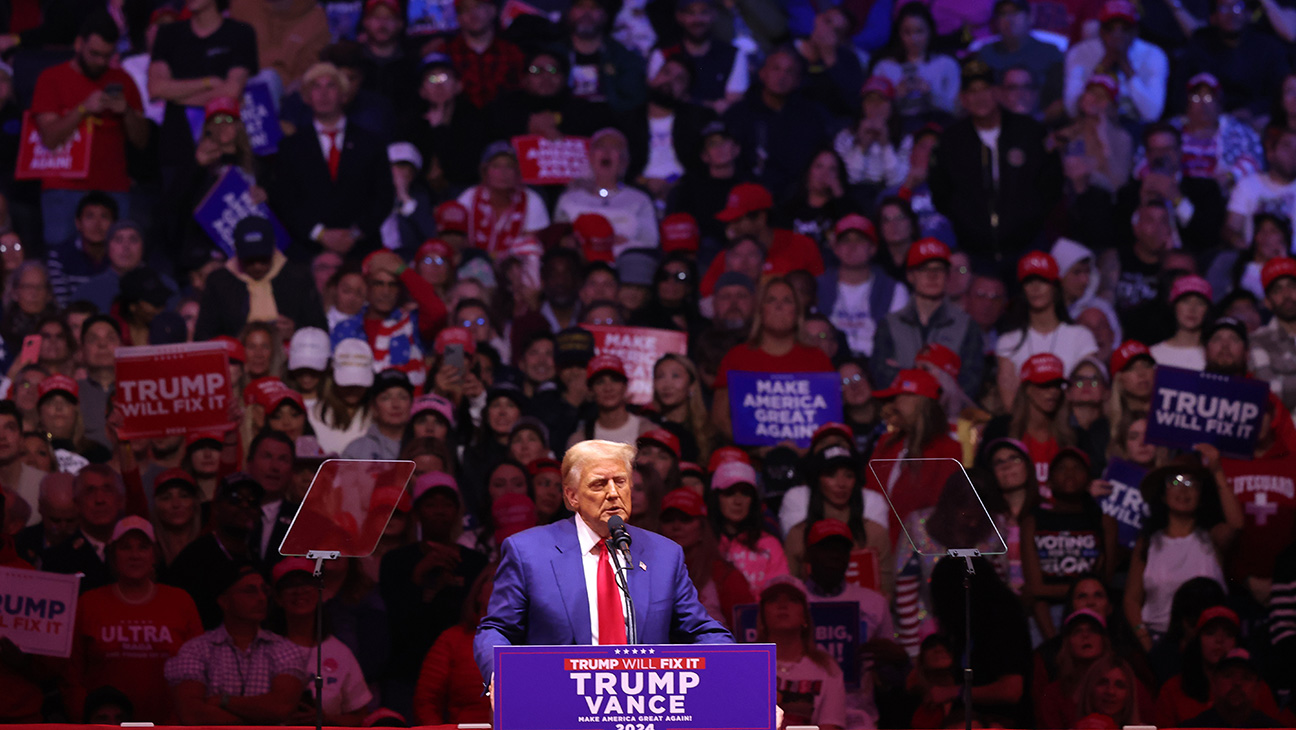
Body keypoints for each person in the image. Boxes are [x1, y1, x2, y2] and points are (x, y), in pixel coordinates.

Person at [475, 439, 734, 683]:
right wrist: (501, 679)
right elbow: (497, 630)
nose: (613, 493)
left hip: (642, 708)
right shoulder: (528, 552)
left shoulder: (665, 555)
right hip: (559, 707)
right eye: (599, 484)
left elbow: (703, 632)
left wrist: (738, 678)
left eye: (621, 482)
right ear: (572, 496)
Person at [65, 516, 204, 723]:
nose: (134, 555)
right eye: (125, 547)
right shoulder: (88, 603)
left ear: (154, 554)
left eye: (143, 547)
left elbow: (200, 670)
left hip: (169, 725)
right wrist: (84, 719)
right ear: (112, 555)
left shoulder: (180, 601)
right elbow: (71, 675)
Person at [30, 12, 148, 246]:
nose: (100, 62)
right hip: (64, 188)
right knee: (60, 260)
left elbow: (142, 140)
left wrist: (126, 111)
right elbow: (50, 138)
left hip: (113, 188)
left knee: (117, 265)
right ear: (78, 44)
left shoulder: (123, 80)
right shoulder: (51, 78)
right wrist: (83, 109)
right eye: (94, 54)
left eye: (107, 56)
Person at [929, 59, 1062, 266]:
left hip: (1028, 247)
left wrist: (1028, 221)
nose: (980, 97)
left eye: (986, 89)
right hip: (972, 253)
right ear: (963, 99)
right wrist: (966, 224)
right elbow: (941, 192)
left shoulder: (1030, 132)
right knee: (970, 287)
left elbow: (1051, 184)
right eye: (972, 91)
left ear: (998, 93)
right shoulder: (950, 141)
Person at [381, 471, 487, 717]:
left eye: (447, 504)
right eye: (431, 504)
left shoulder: (475, 563)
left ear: (458, 511)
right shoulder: (396, 562)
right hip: (406, 671)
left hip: (461, 671)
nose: (439, 511)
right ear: (416, 513)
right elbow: (396, 619)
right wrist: (420, 575)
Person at [272, 62, 395, 261]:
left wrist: (355, 233)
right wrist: (320, 234)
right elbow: (285, 199)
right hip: (308, 251)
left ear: (344, 95)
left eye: (331, 86)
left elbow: (383, 196)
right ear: (306, 97)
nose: (323, 93)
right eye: (316, 86)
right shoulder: (290, 147)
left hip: (362, 249)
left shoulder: (371, 142)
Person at [163, 564, 309, 725]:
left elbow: (282, 707)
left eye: (264, 590)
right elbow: (192, 714)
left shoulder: (285, 648)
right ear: (224, 601)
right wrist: (256, 722)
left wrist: (223, 700)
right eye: (250, 591)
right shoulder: (196, 649)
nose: (261, 598)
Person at [710, 277, 833, 439]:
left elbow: (829, 421)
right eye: (771, 300)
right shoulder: (737, 357)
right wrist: (756, 447)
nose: (779, 306)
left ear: (797, 312)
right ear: (761, 310)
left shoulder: (818, 359)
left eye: (787, 301)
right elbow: (719, 418)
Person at [871, 237, 984, 400]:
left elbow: (970, 382)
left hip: (948, 417)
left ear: (947, 276)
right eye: (924, 269)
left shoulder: (966, 325)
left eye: (939, 269)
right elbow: (881, 376)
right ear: (910, 276)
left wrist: (906, 373)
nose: (932, 276)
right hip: (902, 414)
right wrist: (939, 377)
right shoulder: (889, 324)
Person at [268, 558, 372, 725]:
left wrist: (326, 720)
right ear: (278, 598)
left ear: (319, 592)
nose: (299, 590)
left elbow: (360, 717)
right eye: (290, 585)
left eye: (307, 583)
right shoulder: (264, 647)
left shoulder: (340, 652)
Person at [996, 251, 1099, 406]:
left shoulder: (1081, 337)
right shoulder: (1008, 342)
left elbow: (1088, 390)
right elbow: (1010, 403)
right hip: (1025, 425)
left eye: (1043, 280)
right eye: (1029, 281)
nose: (1035, 287)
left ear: (1056, 287)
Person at [758, 576, 846, 730]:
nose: (782, 605)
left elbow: (830, 726)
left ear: (805, 615)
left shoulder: (827, 668)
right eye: (773, 600)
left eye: (792, 600)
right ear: (762, 616)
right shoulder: (744, 664)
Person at [1062, 0, 1168, 123]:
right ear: (1101, 30)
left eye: (1125, 28)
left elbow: (1152, 114)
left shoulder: (1153, 55)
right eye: (1110, 28)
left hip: (1137, 128)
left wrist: (1126, 67)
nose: (1117, 34)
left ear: (1136, 31)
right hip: (1090, 123)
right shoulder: (1080, 53)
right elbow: (1072, 110)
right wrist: (1103, 65)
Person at [413, 566, 495, 724]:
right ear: (479, 591)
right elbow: (425, 703)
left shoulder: (536, 642)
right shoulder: (453, 640)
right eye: (495, 580)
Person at [1150, 274, 1212, 371]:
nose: (1192, 309)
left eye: (1200, 303)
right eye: (1185, 301)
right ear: (1174, 307)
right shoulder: (1153, 355)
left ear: (1207, 310)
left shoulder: (1215, 358)